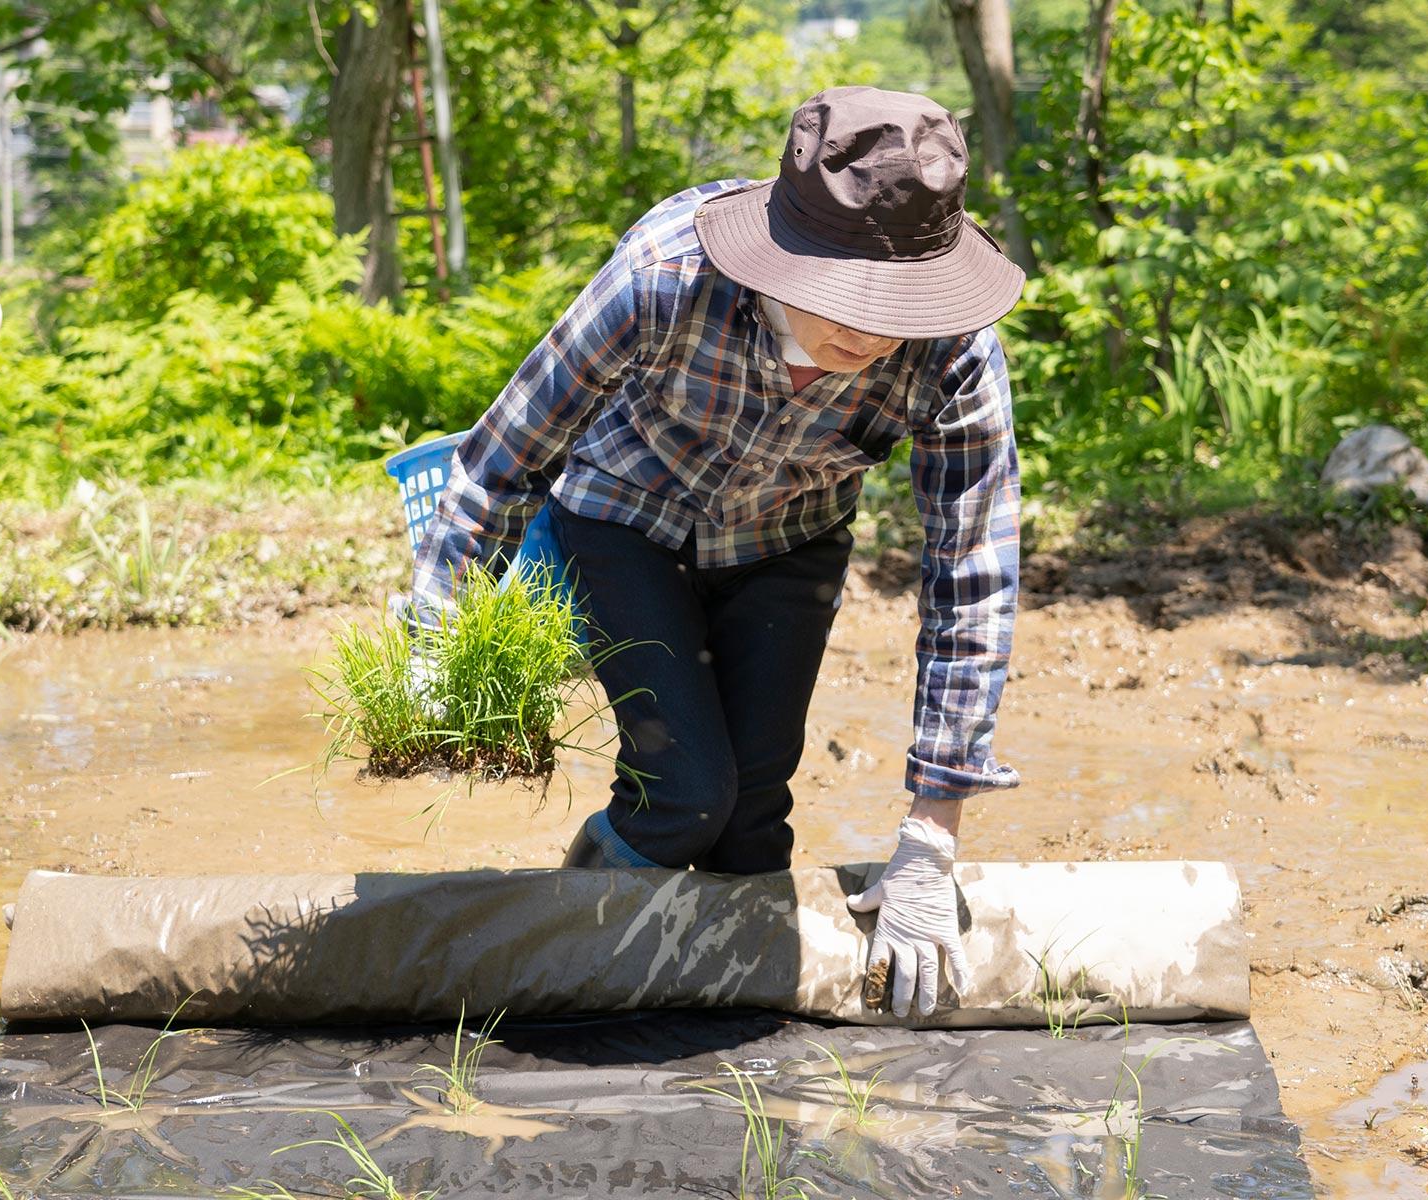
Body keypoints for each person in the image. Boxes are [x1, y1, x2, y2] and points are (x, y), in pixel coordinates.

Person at [411, 86, 1025, 1019]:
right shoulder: (663, 273)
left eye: (893, 302)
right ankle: (559, 955)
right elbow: (503, 459)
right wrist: (435, 631)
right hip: (624, 516)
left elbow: (972, 572)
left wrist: (932, 834)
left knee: (750, 822)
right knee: (686, 793)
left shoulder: (955, 352)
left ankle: (735, 1059)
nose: (862, 330)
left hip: (789, 537)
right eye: (839, 294)